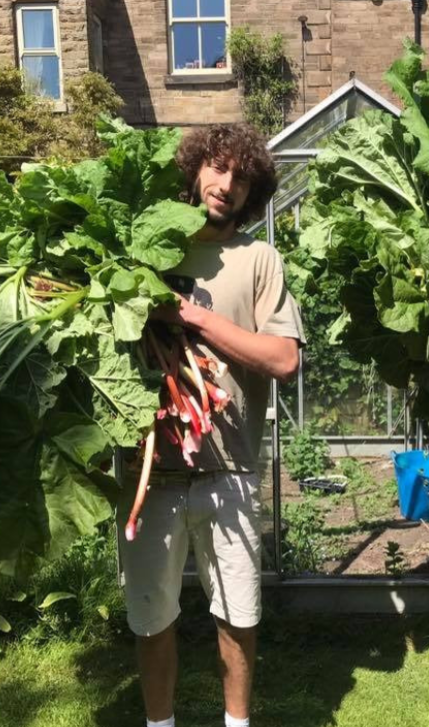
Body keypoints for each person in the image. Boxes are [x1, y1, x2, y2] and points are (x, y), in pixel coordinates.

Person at [117, 123, 305, 727]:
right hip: (149, 475)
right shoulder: (135, 249)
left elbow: (284, 360)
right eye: (217, 168)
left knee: (238, 615)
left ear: (252, 193)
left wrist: (191, 316)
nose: (225, 185)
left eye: (240, 178)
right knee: (153, 617)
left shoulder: (257, 258)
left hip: (231, 470)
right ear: (196, 169)